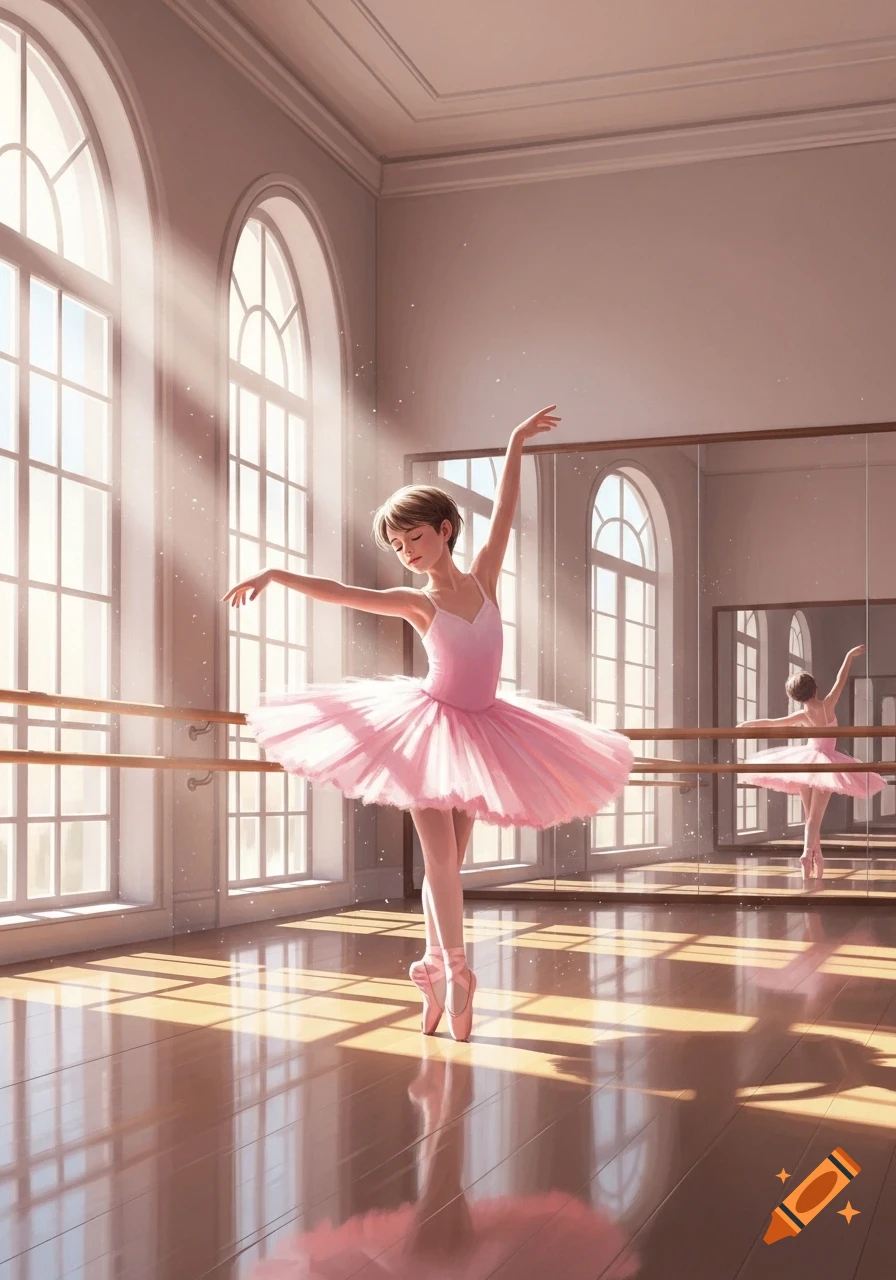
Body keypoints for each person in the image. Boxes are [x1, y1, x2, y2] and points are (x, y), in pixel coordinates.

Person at [224, 406, 633, 1040]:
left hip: (487, 733)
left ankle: (433, 964)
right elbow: (341, 591)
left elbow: (503, 512)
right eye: (396, 545)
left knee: (449, 868)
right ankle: (460, 975)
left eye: (414, 538)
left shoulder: (486, 581)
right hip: (429, 734)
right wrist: (277, 574)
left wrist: (516, 442)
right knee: (440, 863)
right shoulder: (418, 602)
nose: (407, 552)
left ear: (444, 531)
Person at [737, 644, 885, 877]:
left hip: (806, 763)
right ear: (815, 690)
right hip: (825, 765)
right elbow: (841, 679)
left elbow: (773, 723)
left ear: (795, 697)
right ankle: (807, 854)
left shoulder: (802, 715)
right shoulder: (827, 706)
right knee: (815, 818)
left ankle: (817, 858)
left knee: (810, 818)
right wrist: (848, 656)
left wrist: (748, 724)